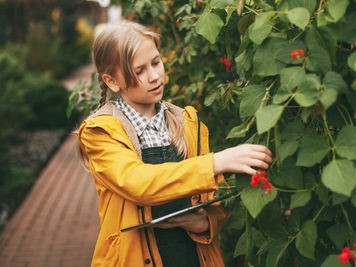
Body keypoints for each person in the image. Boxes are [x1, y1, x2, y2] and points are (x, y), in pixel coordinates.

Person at [77, 21, 273, 267]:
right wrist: (217, 162)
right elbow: (137, 182)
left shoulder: (187, 122)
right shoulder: (101, 131)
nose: (154, 75)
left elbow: (215, 200)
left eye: (156, 62)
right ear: (112, 81)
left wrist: (205, 223)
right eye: (139, 71)